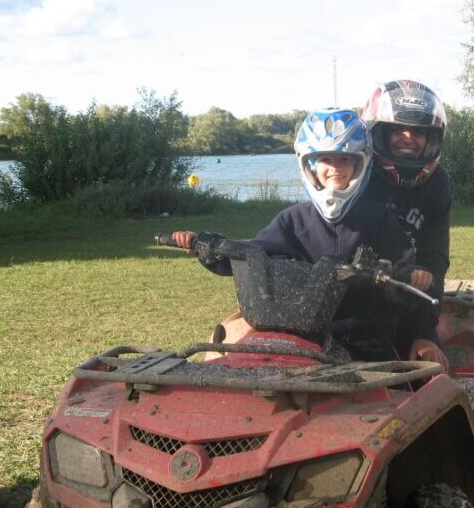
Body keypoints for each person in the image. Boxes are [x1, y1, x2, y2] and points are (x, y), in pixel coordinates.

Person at [172, 108, 449, 372]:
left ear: (361, 163)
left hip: (369, 340)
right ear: (310, 166)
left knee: (397, 398)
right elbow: (252, 255)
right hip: (302, 336)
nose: (335, 168)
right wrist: (209, 249)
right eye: (325, 160)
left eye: (345, 160)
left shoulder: (380, 219)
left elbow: (403, 271)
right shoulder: (293, 220)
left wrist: (411, 279)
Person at [361, 80, 452, 361]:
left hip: (410, 301)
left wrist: (424, 332)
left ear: (432, 138)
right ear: (379, 133)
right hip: (356, 303)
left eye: (419, 131)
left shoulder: (437, 183)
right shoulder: (358, 175)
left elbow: (434, 259)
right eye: (398, 129)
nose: (408, 137)